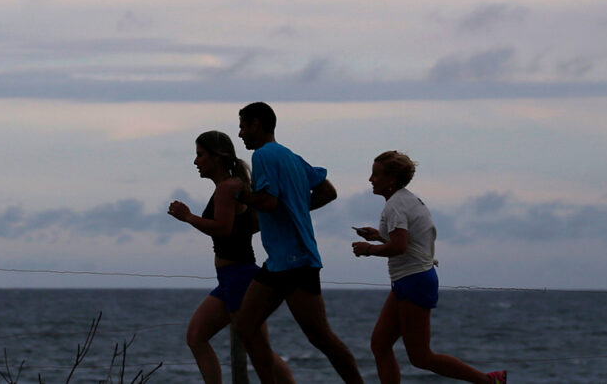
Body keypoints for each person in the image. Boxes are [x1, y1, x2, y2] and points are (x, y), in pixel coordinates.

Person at [231, 102, 364, 384]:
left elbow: (268, 201)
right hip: (279, 262)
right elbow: (327, 192)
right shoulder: (291, 156)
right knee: (245, 325)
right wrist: (297, 208)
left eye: (243, 126)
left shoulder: (264, 155)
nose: (240, 134)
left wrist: (241, 196)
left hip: (296, 261)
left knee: (320, 336)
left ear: (257, 124)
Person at [352, 150, 507, 384]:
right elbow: (406, 242)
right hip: (408, 280)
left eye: (375, 175)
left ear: (392, 179)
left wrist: (368, 250)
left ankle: (489, 381)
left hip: (414, 281)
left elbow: (400, 247)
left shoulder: (395, 206)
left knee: (421, 357)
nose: (370, 179)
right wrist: (379, 236)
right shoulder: (406, 199)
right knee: (380, 344)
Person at [168, 130, 295, 384]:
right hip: (230, 278)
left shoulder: (229, 188)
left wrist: (188, 217)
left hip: (240, 276)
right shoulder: (233, 186)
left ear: (216, 157)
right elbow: (251, 224)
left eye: (200, 155)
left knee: (258, 348)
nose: (196, 162)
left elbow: (223, 229)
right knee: (196, 336)